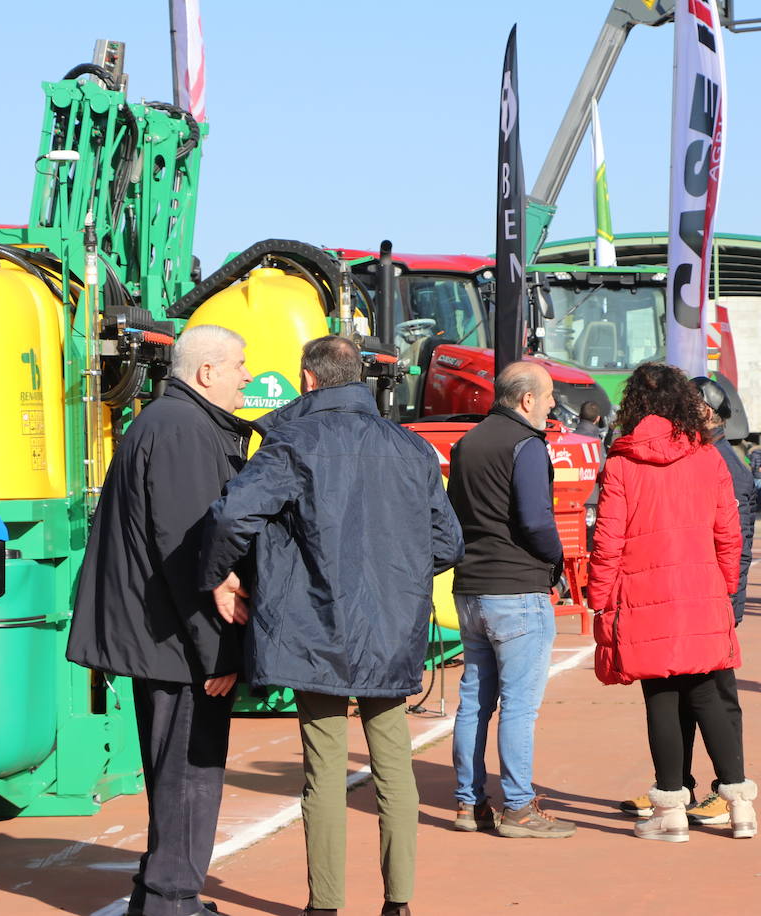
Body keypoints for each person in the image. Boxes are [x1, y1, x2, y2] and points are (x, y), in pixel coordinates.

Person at [198, 335, 464, 916]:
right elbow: (448, 542)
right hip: (392, 628)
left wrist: (222, 577)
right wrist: (399, 576)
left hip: (312, 624)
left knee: (323, 769)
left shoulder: (292, 440)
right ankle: (399, 902)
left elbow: (232, 517)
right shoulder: (409, 447)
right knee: (393, 766)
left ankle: (326, 905)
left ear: (309, 380)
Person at [67, 325, 255, 916]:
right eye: (239, 366)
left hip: (162, 636)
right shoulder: (183, 430)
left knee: (174, 768)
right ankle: (173, 900)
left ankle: (161, 891)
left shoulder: (168, 422)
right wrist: (218, 652)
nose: (247, 376)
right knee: (189, 773)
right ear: (206, 373)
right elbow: (190, 553)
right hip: (176, 641)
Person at [589, 364, 755, 843]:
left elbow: (608, 540)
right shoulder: (709, 459)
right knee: (710, 696)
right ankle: (739, 805)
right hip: (702, 592)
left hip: (643, 596)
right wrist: (723, 586)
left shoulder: (622, 463)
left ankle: (670, 808)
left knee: (661, 697)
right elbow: (730, 534)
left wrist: (600, 597)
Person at [445, 361, 574, 838]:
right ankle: (518, 807)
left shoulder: (468, 443)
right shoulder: (528, 446)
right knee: (519, 705)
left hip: (472, 585)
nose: (553, 403)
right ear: (526, 400)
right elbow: (537, 521)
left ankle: (468, 802)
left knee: (474, 701)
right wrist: (556, 564)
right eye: (548, 396)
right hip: (516, 587)